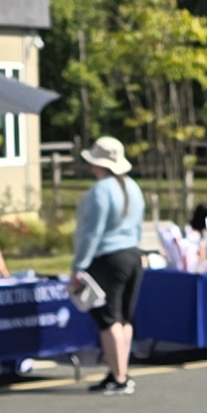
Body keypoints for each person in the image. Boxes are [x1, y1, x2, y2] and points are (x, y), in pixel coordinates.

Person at [72, 133, 147, 395]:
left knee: (108, 318)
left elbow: (91, 233)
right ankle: (120, 370)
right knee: (124, 318)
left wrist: (79, 267)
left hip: (108, 258)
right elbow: (138, 225)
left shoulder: (100, 191)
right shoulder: (132, 186)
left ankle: (119, 376)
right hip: (133, 254)